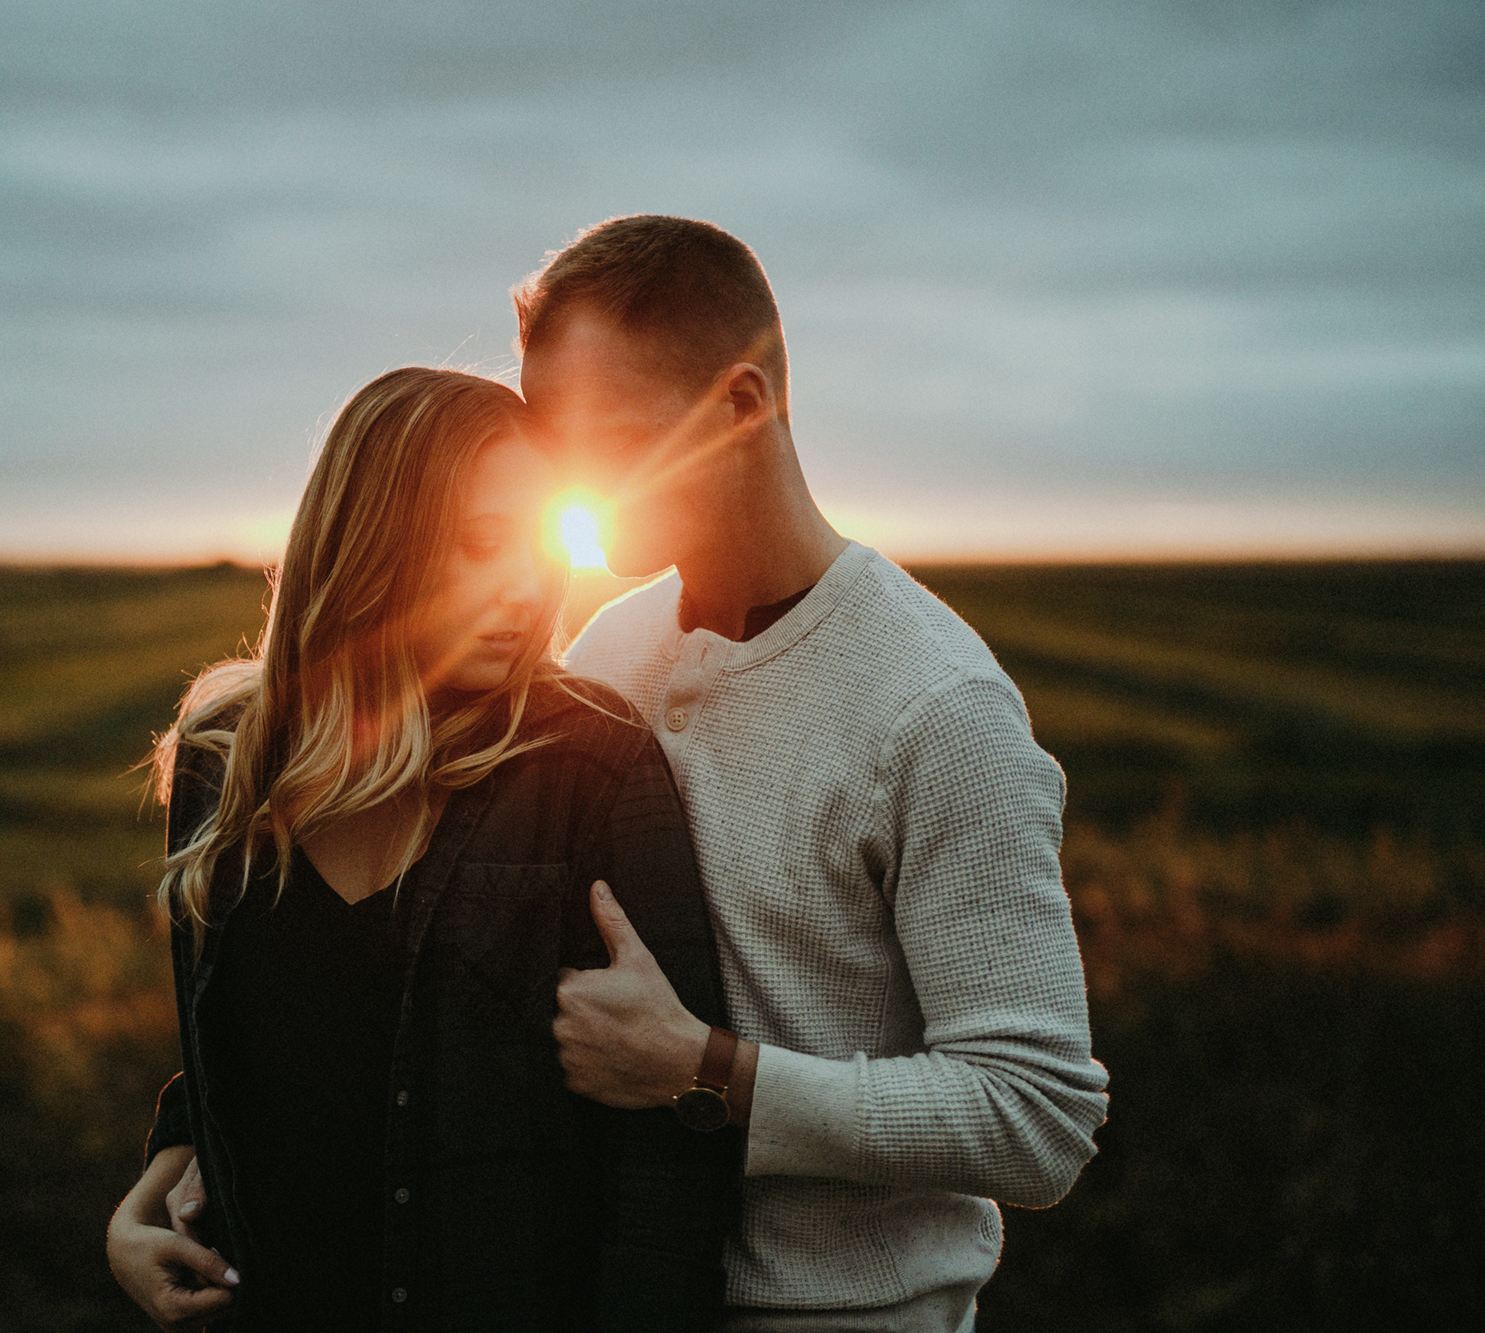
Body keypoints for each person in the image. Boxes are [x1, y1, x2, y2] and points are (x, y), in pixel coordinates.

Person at [525, 216, 1111, 1332]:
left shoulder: (938, 709)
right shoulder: (600, 652)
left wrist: (709, 1071)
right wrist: (192, 1147)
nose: (569, 475)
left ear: (739, 408)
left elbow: (1037, 1115)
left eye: (602, 430)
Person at [103, 366, 738, 1332]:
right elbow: (256, 1045)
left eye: (541, 543)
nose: (527, 586)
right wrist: (145, 1199)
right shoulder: (224, 763)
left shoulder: (590, 766)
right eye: (480, 545)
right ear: (369, 544)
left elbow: (670, 1167)